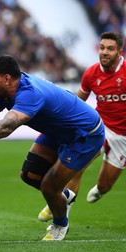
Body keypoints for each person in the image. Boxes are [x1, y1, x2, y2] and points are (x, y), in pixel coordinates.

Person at [0, 54, 105, 241]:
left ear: (6, 78)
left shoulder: (29, 93)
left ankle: (60, 224)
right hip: (58, 131)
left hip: (84, 134)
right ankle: (63, 196)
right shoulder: (6, 91)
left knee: (49, 186)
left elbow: (7, 126)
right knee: (30, 174)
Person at [37, 32, 126, 221]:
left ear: (120, 51)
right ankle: (59, 205)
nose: (104, 52)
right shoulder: (92, 73)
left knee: (104, 186)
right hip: (99, 127)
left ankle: (100, 190)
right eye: (102, 48)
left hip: (122, 137)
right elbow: (77, 104)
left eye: (110, 49)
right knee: (78, 164)